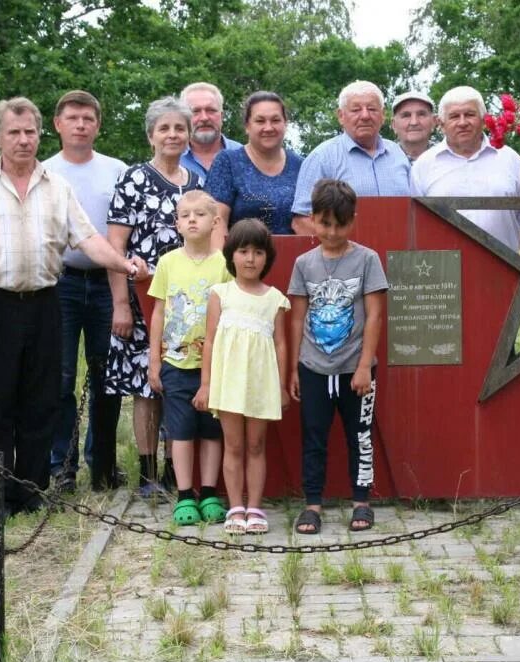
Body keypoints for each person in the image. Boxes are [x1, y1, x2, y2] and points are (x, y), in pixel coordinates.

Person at [0, 97, 147, 517]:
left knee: (43, 400)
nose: (23, 140)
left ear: (39, 134)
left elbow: (87, 240)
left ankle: (31, 493)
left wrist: (125, 264)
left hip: (46, 302)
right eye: (14, 132)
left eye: (29, 132)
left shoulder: (57, 186)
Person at [105, 96, 204, 499]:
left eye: (179, 128)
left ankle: (172, 469)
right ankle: (146, 474)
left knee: (179, 384)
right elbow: (114, 247)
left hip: (188, 305)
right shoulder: (133, 179)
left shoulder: (197, 182)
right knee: (145, 387)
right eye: (164, 128)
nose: (172, 135)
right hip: (143, 300)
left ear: (188, 135)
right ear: (151, 136)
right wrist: (121, 304)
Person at [288, 179, 388, 534]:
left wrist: (364, 365)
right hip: (314, 366)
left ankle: (361, 501)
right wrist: (294, 369)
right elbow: (297, 316)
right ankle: (312, 504)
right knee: (313, 436)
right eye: (325, 223)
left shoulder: (366, 259)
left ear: (352, 221)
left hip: (355, 369)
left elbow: (375, 315)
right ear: (313, 219)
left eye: (340, 224)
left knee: (358, 435)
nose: (332, 232)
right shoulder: (304, 264)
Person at [45, 90, 128, 493]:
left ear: (98, 125)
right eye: (72, 118)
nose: (80, 125)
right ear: (57, 124)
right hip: (58, 284)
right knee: (59, 379)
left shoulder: (117, 171)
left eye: (88, 119)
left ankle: (104, 464)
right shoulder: (43, 171)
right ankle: (61, 466)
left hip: (106, 283)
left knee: (106, 379)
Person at [410, 85, 520, 315]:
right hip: (442, 285)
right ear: (441, 123)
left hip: (503, 279)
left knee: (504, 351)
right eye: (454, 116)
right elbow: (416, 230)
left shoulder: (511, 159)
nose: (462, 122)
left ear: (484, 120)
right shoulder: (423, 166)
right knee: (448, 350)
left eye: (470, 114)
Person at [194, 219, 290, 535]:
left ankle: (255, 507)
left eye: (258, 252)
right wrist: (206, 384)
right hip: (229, 383)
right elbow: (209, 340)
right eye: (243, 251)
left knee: (257, 445)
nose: (250, 259)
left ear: (267, 257)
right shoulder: (220, 294)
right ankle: (236, 507)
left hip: (261, 384)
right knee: (233, 446)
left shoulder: (274, 298)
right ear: (231, 255)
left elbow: (280, 344)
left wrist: (281, 386)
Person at [147, 190, 229, 523]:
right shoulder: (168, 263)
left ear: (216, 221)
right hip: (176, 364)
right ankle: (184, 495)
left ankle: (208, 492)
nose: (192, 219)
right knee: (179, 431)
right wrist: (155, 360)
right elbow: (158, 312)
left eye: (200, 214)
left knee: (211, 431)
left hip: (216, 364)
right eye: (185, 215)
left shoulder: (225, 264)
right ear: (176, 223)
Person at [290, 81, 412, 235]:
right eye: (356, 110)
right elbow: (301, 221)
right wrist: (342, 247)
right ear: (341, 116)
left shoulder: (398, 154)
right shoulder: (322, 157)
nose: (365, 116)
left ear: (383, 115)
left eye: (372, 109)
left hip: (399, 255)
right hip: (346, 256)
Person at [205, 91, 303, 241]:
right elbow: (216, 221)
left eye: (275, 120)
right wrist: (222, 261)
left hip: (295, 260)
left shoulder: (302, 165)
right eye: (260, 121)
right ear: (247, 126)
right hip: (241, 260)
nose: (268, 127)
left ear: (285, 124)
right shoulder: (228, 162)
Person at [180, 82, 242, 181]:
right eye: (195, 111)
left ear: (222, 116)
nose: (204, 118)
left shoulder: (243, 156)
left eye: (211, 110)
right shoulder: (172, 159)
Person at [390, 90, 436, 162]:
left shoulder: (448, 158)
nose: (414, 122)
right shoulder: (382, 161)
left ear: (434, 122)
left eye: (421, 114)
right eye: (406, 115)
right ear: (394, 125)